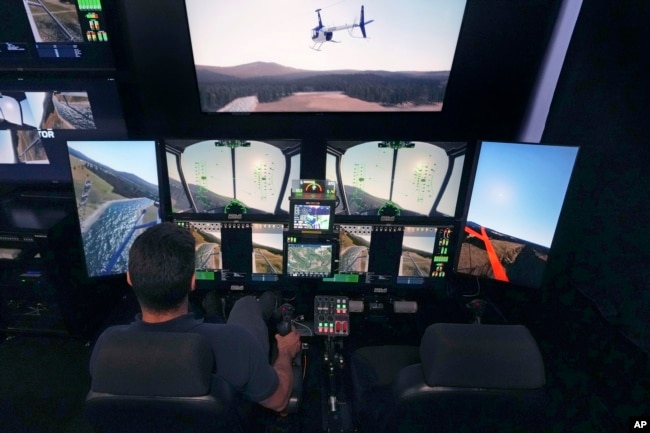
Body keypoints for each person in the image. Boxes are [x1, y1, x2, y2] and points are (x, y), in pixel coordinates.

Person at [89, 222, 302, 414]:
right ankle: (252, 304)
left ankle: (214, 314)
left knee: (221, 311)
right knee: (246, 305)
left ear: (130, 278)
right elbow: (279, 401)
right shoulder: (234, 342)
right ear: (192, 282)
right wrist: (284, 353)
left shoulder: (106, 344)